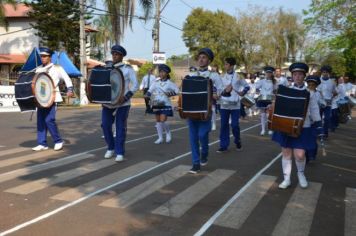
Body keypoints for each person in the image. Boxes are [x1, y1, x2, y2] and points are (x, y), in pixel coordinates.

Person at [272, 62, 323, 189]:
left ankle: (301, 174)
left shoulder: (309, 93)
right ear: (292, 76)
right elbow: (278, 106)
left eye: (300, 74)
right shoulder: (286, 90)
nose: (298, 76)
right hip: (286, 126)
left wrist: (318, 124)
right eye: (295, 74)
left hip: (303, 127)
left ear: (304, 76)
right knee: (286, 153)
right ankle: (287, 178)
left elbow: (314, 109)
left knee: (300, 155)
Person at [187, 48, 222, 174]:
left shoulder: (214, 75)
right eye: (200, 57)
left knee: (202, 135)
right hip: (191, 111)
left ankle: (204, 154)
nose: (201, 59)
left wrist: (216, 95)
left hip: (206, 111)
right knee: (193, 138)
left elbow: (220, 91)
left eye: (204, 57)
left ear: (209, 60)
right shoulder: (191, 75)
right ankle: (195, 163)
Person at [32, 47, 74, 151]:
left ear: (50, 57)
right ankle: (42, 143)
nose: (43, 58)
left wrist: (70, 89)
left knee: (49, 120)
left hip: (52, 98)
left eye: (45, 56)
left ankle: (58, 141)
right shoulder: (38, 69)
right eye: (41, 56)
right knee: (41, 121)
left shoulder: (57, 68)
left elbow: (67, 78)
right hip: (40, 98)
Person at [102, 45, 138, 162]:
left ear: (122, 56)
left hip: (123, 103)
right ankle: (110, 147)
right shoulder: (107, 68)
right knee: (105, 125)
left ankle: (119, 151)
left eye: (117, 54)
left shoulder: (128, 69)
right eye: (113, 54)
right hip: (108, 103)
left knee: (120, 127)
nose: (114, 56)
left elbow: (135, 85)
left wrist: (126, 96)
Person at [217, 57, 249, 153]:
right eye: (225, 64)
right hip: (224, 105)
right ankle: (224, 145)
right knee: (223, 125)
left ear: (231, 65)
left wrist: (243, 92)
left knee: (235, 125)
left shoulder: (238, 76)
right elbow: (218, 89)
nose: (225, 66)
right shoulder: (222, 76)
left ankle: (237, 140)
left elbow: (247, 86)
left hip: (235, 105)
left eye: (226, 64)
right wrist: (223, 91)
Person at [145, 64, 179, 144]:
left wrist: (170, 93)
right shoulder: (156, 82)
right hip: (156, 102)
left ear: (167, 73)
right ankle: (160, 138)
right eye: (160, 72)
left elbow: (177, 91)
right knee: (158, 120)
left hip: (165, 103)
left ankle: (168, 133)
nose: (161, 73)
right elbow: (150, 90)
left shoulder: (170, 83)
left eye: (163, 72)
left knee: (163, 120)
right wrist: (147, 95)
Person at [304, 75, 322, 163]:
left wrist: (323, 103)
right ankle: (306, 156)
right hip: (305, 120)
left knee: (313, 139)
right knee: (304, 138)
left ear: (316, 85)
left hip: (315, 120)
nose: (310, 86)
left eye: (313, 85)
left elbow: (323, 103)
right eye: (309, 84)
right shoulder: (304, 92)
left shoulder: (318, 94)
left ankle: (312, 155)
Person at [255, 66, 277, 136]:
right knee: (262, 115)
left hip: (270, 99)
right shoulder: (261, 81)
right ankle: (263, 130)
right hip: (262, 99)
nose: (268, 74)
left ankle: (270, 129)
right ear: (265, 73)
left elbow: (276, 91)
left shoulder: (274, 81)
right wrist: (258, 92)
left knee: (269, 115)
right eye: (267, 73)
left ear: (272, 73)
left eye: (270, 73)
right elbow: (257, 88)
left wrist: (275, 98)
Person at [317, 65, 337, 138]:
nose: (325, 73)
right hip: (319, 103)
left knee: (327, 119)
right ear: (322, 72)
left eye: (327, 72)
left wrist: (332, 96)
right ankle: (318, 133)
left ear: (329, 73)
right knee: (318, 118)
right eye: (324, 72)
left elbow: (335, 92)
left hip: (328, 103)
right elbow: (316, 90)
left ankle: (325, 133)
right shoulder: (318, 80)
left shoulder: (332, 82)